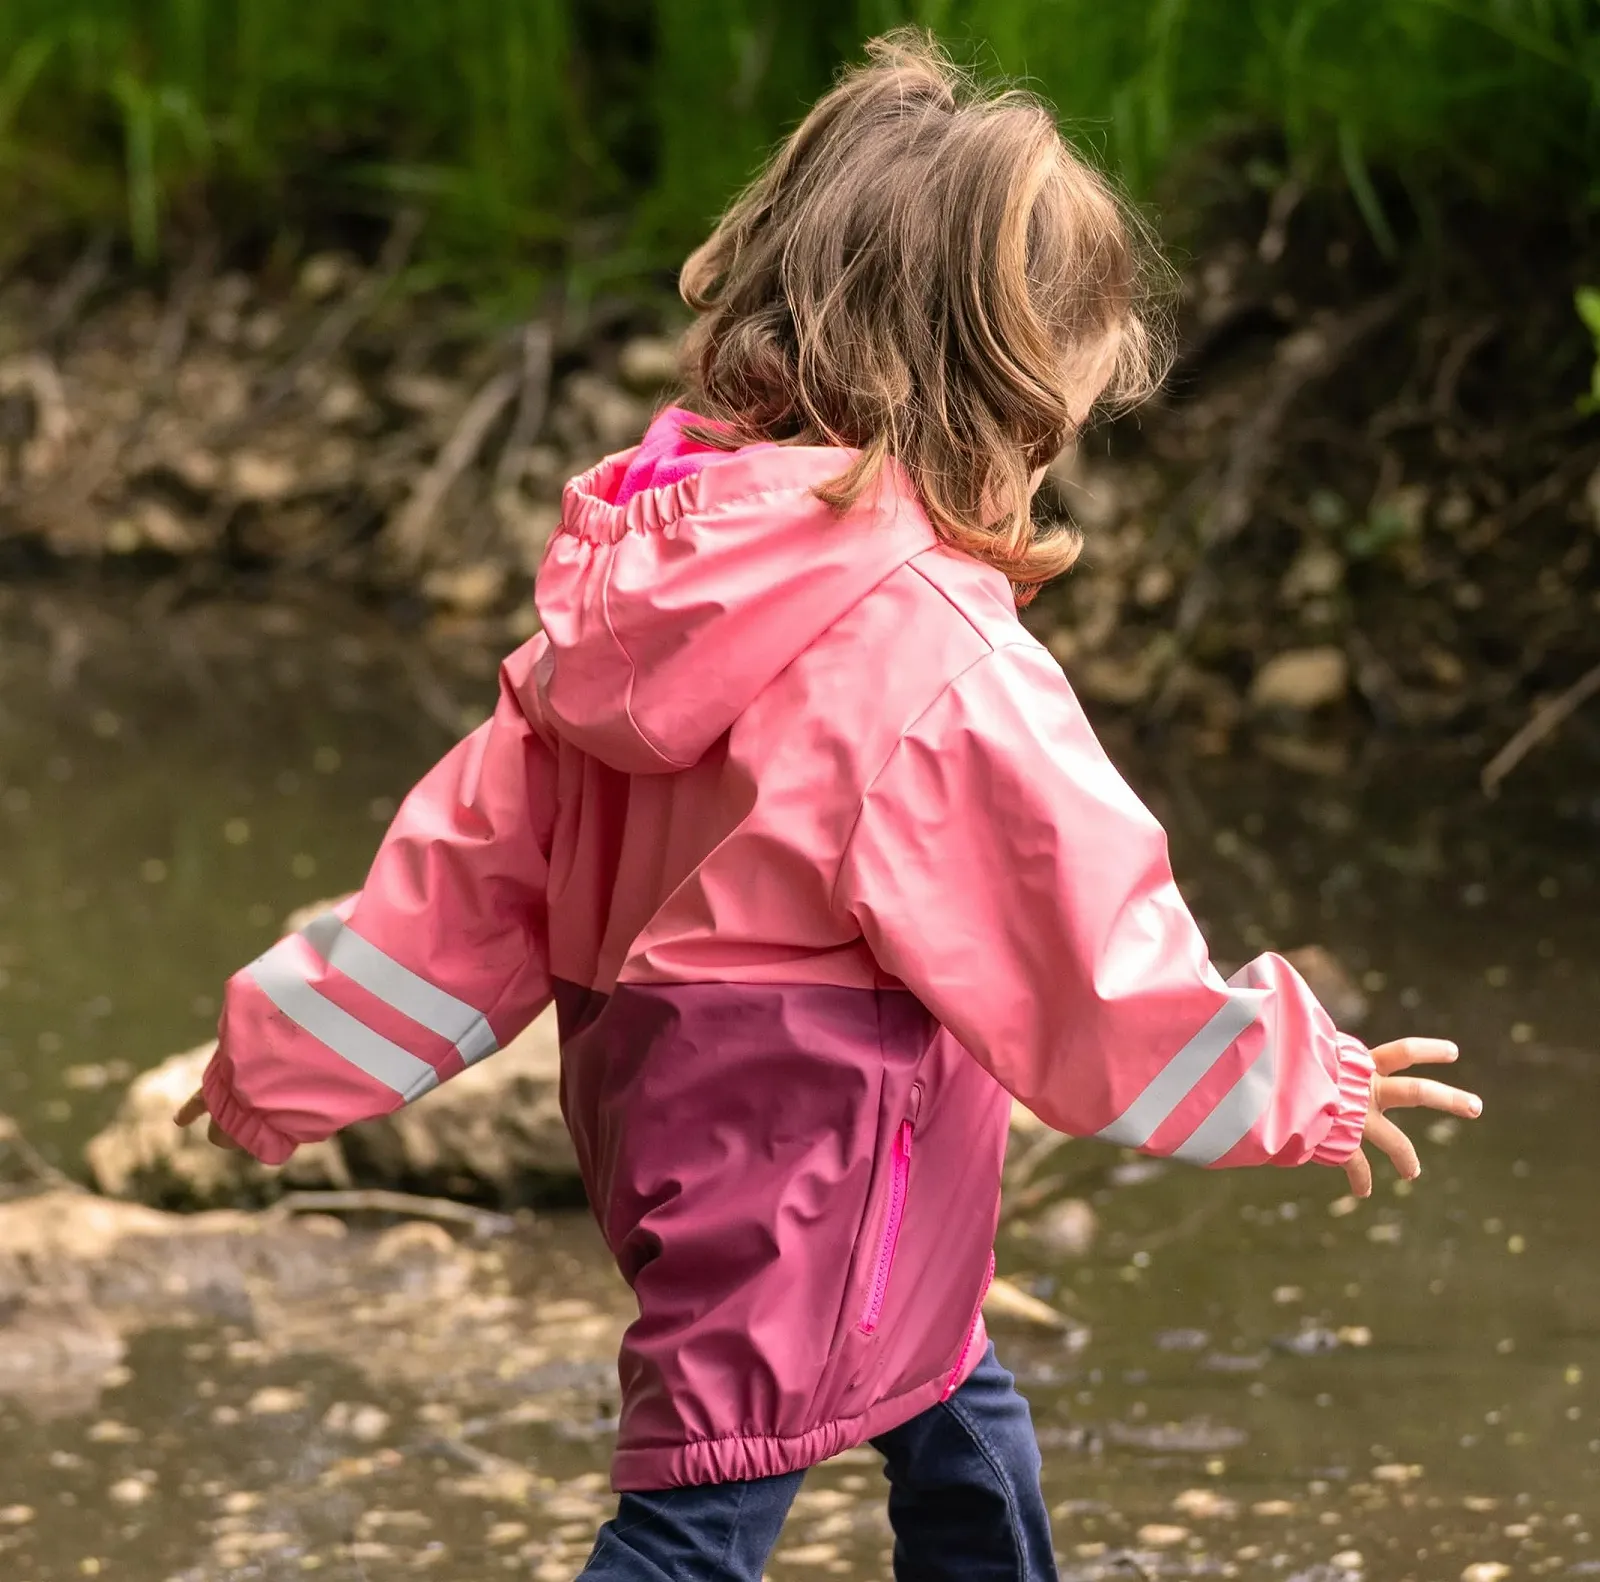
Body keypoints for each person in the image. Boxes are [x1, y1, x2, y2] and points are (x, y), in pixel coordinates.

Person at [174, 33, 1482, 1581]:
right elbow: (1081, 947)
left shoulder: (628, 582)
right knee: (700, 1516)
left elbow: (456, 884)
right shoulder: (930, 647)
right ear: (1000, 381)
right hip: (824, 1137)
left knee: (951, 1404)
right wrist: (1291, 1079)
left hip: (673, 1113)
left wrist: (278, 1049)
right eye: (1067, 396)